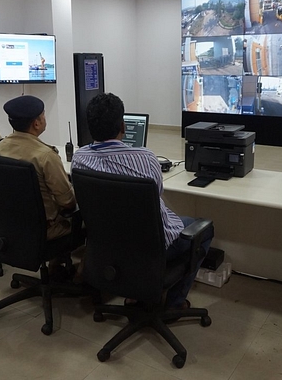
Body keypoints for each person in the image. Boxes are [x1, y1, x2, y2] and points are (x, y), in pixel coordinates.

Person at [71, 92, 213, 310]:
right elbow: (155, 196)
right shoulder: (146, 159)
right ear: (123, 126)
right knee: (204, 228)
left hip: (107, 245)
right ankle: (174, 304)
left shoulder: (79, 159)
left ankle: (136, 293)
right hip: (151, 247)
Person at [0, 95, 77, 240]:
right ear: (36, 124)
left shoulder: (0, 147)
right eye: (44, 115)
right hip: (46, 229)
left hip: (11, 224)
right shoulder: (45, 156)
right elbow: (68, 202)